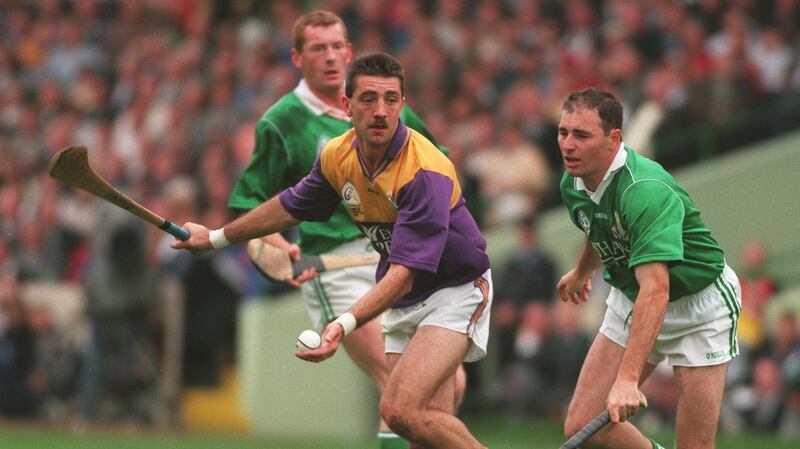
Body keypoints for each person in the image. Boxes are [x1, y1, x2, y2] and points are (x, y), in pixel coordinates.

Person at [174, 52, 492, 449]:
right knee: (423, 427)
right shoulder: (338, 156)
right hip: (408, 297)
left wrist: (342, 324)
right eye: (369, 99)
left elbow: (402, 274)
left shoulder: (423, 171)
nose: (380, 111)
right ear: (346, 105)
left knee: (399, 410)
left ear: (402, 105)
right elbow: (290, 206)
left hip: (454, 291)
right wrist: (217, 237)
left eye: (391, 99)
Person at [226, 11, 464, 449]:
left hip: (395, 260)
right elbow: (250, 203)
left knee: (449, 383)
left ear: (350, 52)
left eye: (338, 46)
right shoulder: (281, 122)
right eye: (318, 48)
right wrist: (275, 244)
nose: (331, 57)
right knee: (401, 383)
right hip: (333, 270)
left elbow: (440, 163)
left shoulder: (388, 104)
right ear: (297, 58)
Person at [556, 87, 741, 449]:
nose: (567, 145)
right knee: (581, 423)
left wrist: (627, 379)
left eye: (581, 135)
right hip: (633, 296)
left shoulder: (644, 190)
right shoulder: (573, 181)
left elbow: (657, 289)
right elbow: (597, 225)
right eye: (563, 132)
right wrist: (582, 271)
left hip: (699, 306)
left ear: (614, 139)